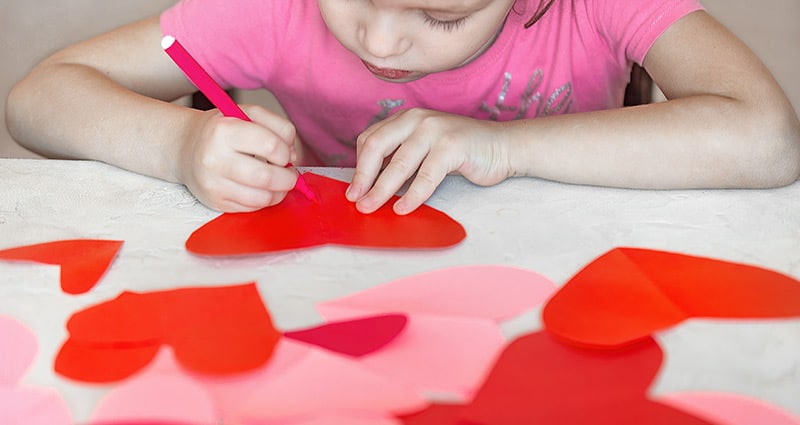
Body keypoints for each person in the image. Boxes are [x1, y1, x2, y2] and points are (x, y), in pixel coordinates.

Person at [7, 0, 800, 215]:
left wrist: (504, 147)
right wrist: (178, 144)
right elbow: (38, 96)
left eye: (442, 17)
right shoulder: (273, 9)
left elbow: (768, 138)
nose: (381, 41)